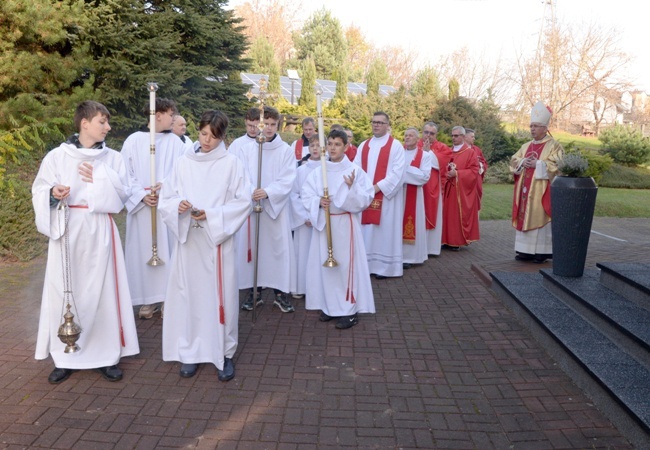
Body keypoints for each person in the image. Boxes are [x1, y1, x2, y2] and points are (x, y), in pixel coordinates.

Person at [32, 100, 140, 384]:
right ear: (85, 123)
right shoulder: (57, 156)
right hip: (67, 229)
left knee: (103, 293)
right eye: (102, 121)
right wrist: (53, 193)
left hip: (99, 229)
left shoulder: (113, 159)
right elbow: (40, 188)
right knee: (64, 291)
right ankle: (65, 355)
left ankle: (106, 356)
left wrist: (100, 178)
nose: (108, 127)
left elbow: (123, 197)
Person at [159, 110, 251, 381]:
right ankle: (190, 352)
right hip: (189, 242)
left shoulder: (232, 163)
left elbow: (243, 201)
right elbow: (168, 196)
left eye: (213, 136)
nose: (207, 140)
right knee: (190, 295)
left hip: (215, 241)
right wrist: (179, 205)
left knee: (218, 296)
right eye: (203, 134)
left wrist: (211, 214)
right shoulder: (183, 162)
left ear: (222, 136)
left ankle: (222, 352)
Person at [302, 129, 375, 329]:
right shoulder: (319, 171)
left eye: (337, 144)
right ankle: (329, 306)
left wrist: (351, 189)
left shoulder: (354, 171)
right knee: (325, 267)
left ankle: (349, 310)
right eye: (330, 144)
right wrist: (318, 201)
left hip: (344, 224)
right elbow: (306, 194)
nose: (332, 148)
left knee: (344, 267)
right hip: (324, 224)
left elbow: (366, 198)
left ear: (346, 147)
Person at [121, 98, 186, 319]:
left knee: (168, 251)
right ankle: (147, 300)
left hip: (165, 206)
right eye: (171, 114)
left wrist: (165, 187)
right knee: (142, 251)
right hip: (143, 208)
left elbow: (182, 172)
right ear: (157, 115)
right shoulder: (133, 141)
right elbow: (125, 174)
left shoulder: (177, 143)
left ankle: (169, 298)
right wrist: (140, 195)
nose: (174, 118)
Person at [234, 106, 297, 313]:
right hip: (253, 207)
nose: (269, 128)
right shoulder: (247, 149)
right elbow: (240, 176)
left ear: (278, 125)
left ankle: (280, 294)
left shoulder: (286, 151)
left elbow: (288, 179)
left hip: (275, 211)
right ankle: (255, 292)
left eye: (273, 124)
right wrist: (252, 191)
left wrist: (268, 192)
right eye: (265, 124)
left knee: (277, 252)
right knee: (255, 251)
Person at [353, 111, 406, 279]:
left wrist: (377, 187)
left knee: (384, 231)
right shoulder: (364, 145)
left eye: (380, 122)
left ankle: (385, 267)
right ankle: (366, 265)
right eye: (374, 122)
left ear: (387, 125)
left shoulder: (396, 146)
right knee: (367, 231)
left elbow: (398, 172)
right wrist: (363, 188)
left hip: (385, 198)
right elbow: (356, 169)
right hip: (367, 196)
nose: (376, 125)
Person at [510, 101, 564, 264]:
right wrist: (522, 162)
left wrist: (539, 164)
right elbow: (514, 160)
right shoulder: (526, 146)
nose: (532, 129)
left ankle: (542, 252)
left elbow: (558, 165)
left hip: (542, 192)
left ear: (545, 128)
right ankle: (524, 251)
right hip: (525, 191)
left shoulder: (554, 146)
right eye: (531, 126)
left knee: (540, 216)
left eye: (536, 126)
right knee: (524, 215)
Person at [290, 135, 321, 299]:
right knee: (302, 253)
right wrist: (305, 217)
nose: (315, 148)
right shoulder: (301, 170)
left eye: (318, 145)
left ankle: (317, 289)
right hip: (304, 221)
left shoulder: (327, 169)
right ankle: (301, 287)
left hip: (320, 219)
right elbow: (294, 195)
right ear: (308, 149)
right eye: (312, 146)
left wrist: (316, 215)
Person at [441, 126, 480, 250]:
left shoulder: (470, 153)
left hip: (460, 190)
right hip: (446, 188)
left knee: (455, 216)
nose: (453, 138)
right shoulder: (447, 150)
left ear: (463, 137)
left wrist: (457, 173)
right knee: (445, 215)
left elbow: (474, 171)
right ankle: (444, 240)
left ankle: (456, 241)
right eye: (452, 135)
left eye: (456, 136)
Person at [401, 128, 433, 268]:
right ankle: (397, 255)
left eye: (411, 135)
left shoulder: (424, 156)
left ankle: (410, 257)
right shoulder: (398, 153)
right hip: (397, 195)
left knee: (410, 223)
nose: (407, 138)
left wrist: (404, 171)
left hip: (414, 196)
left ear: (417, 139)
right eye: (406, 135)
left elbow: (424, 177)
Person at [419, 122, 450, 256]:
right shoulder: (413, 144)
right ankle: (416, 248)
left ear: (435, 135)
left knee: (431, 214)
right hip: (416, 188)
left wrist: (427, 153)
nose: (428, 135)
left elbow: (441, 163)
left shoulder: (443, 148)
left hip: (433, 187)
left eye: (431, 133)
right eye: (426, 132)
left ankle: (430, 248)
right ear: (422, 132)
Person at [464, 128, 488, 212]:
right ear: (465, 137)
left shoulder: (477, 150)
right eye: (472, 136)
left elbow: (484, 162)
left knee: (475, 202)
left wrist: (481, 166)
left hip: (476, 180)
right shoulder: (458, 149)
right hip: (464, 179)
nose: (474, 138)